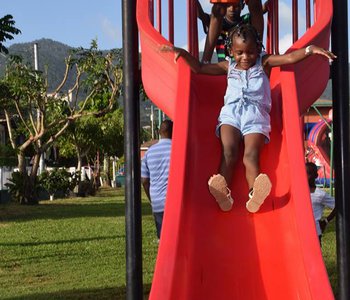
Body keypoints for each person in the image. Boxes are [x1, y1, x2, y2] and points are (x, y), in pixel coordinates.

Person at [160, 23, 336, 213]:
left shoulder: (264, 62)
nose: (245, 57)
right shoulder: (228, 66)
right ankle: (223, 193)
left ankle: (255, 193)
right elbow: (200, 68)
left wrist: (311, 50)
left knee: (250, 156)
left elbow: (290, 57)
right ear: (231, 51)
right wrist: (183, 54)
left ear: (258, 49)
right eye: (239, 52)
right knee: (229, 152)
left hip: (255, 116)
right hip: (231, 115)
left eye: (250, 52)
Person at [200, 0, 268, 63]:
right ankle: (205, 61)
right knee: (217, 11)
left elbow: (259, 9)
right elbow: (199, 13)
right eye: (228, 6)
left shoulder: (247, 20)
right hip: (224, 66)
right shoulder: (216, 23)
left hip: (248, 63)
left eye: (236, 6)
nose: (232, 9)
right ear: (224, 7)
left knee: (255, 4)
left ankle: (257, 58)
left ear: (242, 5)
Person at [141, 119, 173, 240]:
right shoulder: (178, 150)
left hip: (157, 200)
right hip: (175, 202)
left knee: (163, 238)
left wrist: (151, 199)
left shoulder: (149, 152)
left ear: (159, 132)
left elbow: (144, 180)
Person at [306, 162, 336, 245]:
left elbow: (338, 206)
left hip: (314, 234)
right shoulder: (297, 192)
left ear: (316, 175)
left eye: (308, 173)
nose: (305, 176)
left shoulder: (320, 194)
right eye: (303, 173)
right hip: (298, 233)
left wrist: (326, 221)